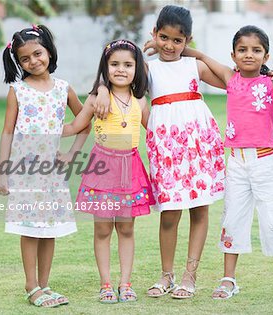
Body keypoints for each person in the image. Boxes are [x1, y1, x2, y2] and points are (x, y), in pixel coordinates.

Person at [95, 5, 227, 299]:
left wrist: (200, 54)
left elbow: (230, 80)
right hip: (167, 146)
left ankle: (189, 276)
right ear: (154, 34)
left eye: (178, 41)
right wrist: (103, 88)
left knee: (199, 208)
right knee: (169, 213)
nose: (169, 45)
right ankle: (166, 274)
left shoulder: (195, 66)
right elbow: (118, 75)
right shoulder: (147, 68)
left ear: (188, 40)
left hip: (199, 142)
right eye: (163, 37)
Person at [181, 25, 273, 300]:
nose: (249, 55)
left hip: (266, 162)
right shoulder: (230, 79)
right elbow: (205, 59)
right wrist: (182, 48)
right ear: (233, 55)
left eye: (256, 50)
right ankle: (228, 279)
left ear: (266, 57)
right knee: (232, 219)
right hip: (236, 164)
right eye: (242, 50)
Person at [0, 24, 86, 307]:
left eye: (38, 53)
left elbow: (84, 121)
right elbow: (7, 133)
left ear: (48, 50)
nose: (33, 61)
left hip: (53, 174)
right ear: (18, 62)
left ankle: (45, 284)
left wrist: (72, 152)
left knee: (50, 229)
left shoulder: (63, 88)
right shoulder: (18, 91)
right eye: (25, 59)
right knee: (30, 228)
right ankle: (31, 285)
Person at [62, 39, 154, 303]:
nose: (121, 70)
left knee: (126, 230)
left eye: (128, 64)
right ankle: (105, 283)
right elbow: (75, 126)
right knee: (102, 230)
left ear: (137, 68)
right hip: (102, 171)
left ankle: (125, 283)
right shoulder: (95, 99)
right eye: (114, 64)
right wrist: (44, 125)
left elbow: (156, 132)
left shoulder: (140, 100)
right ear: (105, 67)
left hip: (130, 170)